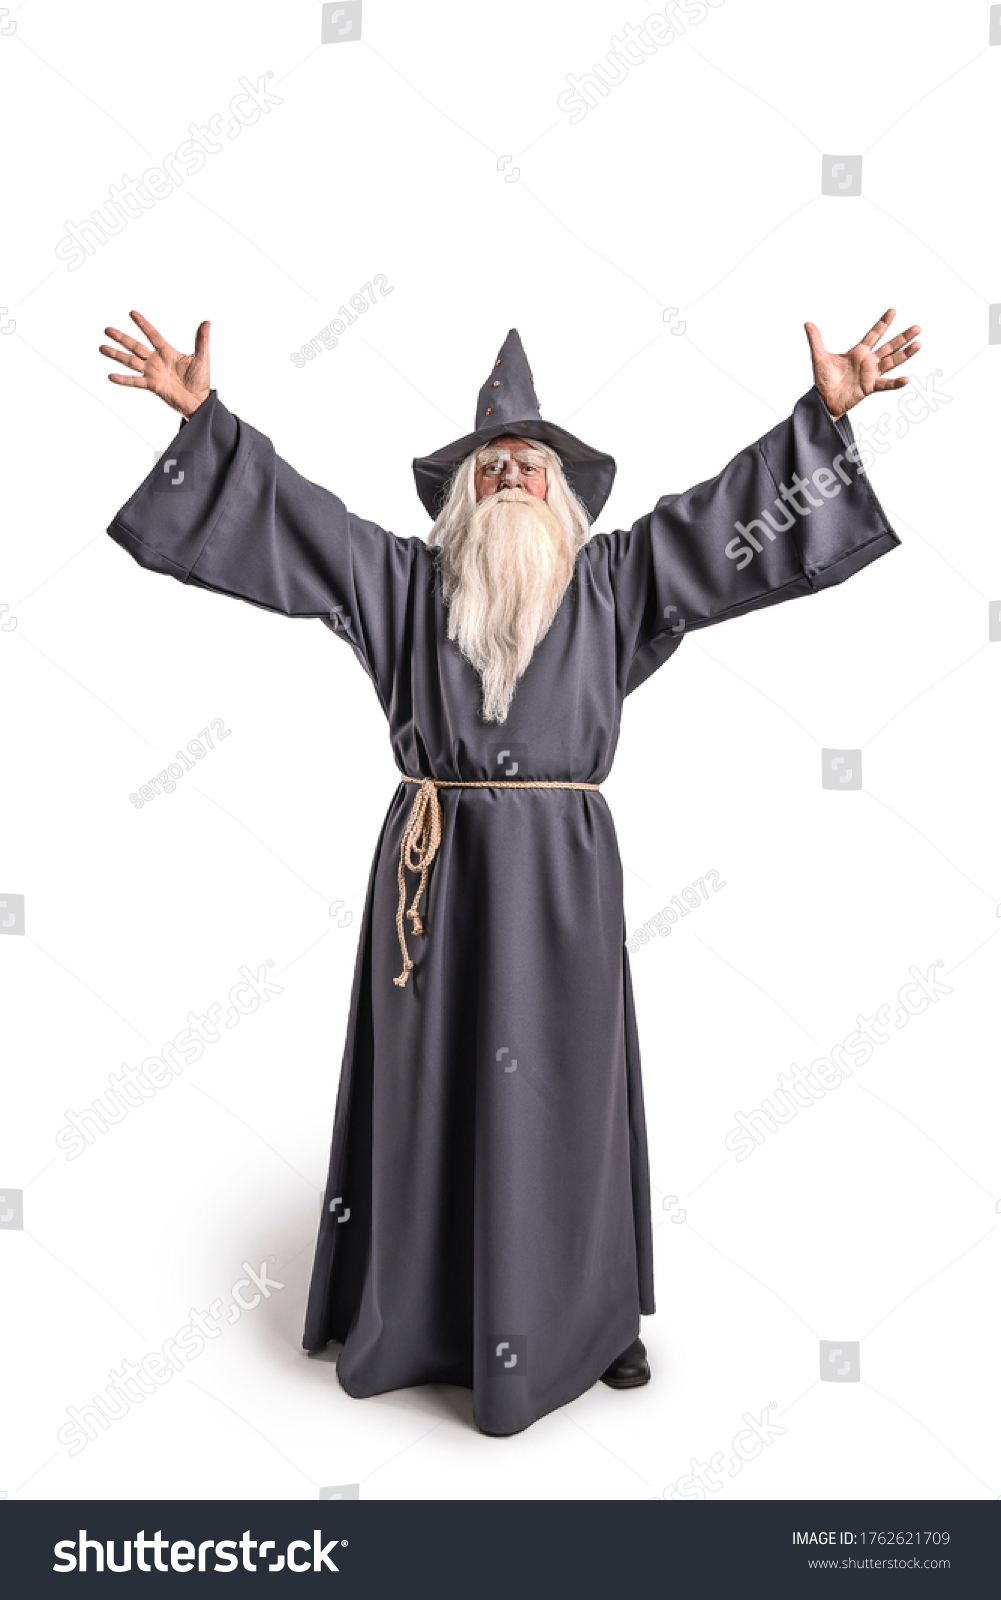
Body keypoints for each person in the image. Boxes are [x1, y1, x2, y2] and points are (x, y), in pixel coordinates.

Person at [101, 306, 919, 1436]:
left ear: (560, 495)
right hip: (431, 879)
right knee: (426, 1087)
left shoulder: (614, 581)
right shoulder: (399, 582)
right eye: (490, 468)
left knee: (568, 1088)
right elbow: (295, 516)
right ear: (463, 498)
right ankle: (424, 1315)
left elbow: (724, 521)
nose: (510, 478)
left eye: (530, 466)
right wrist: (210, 424)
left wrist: (819, 419)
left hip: (560, 884)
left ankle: (586, 1317)